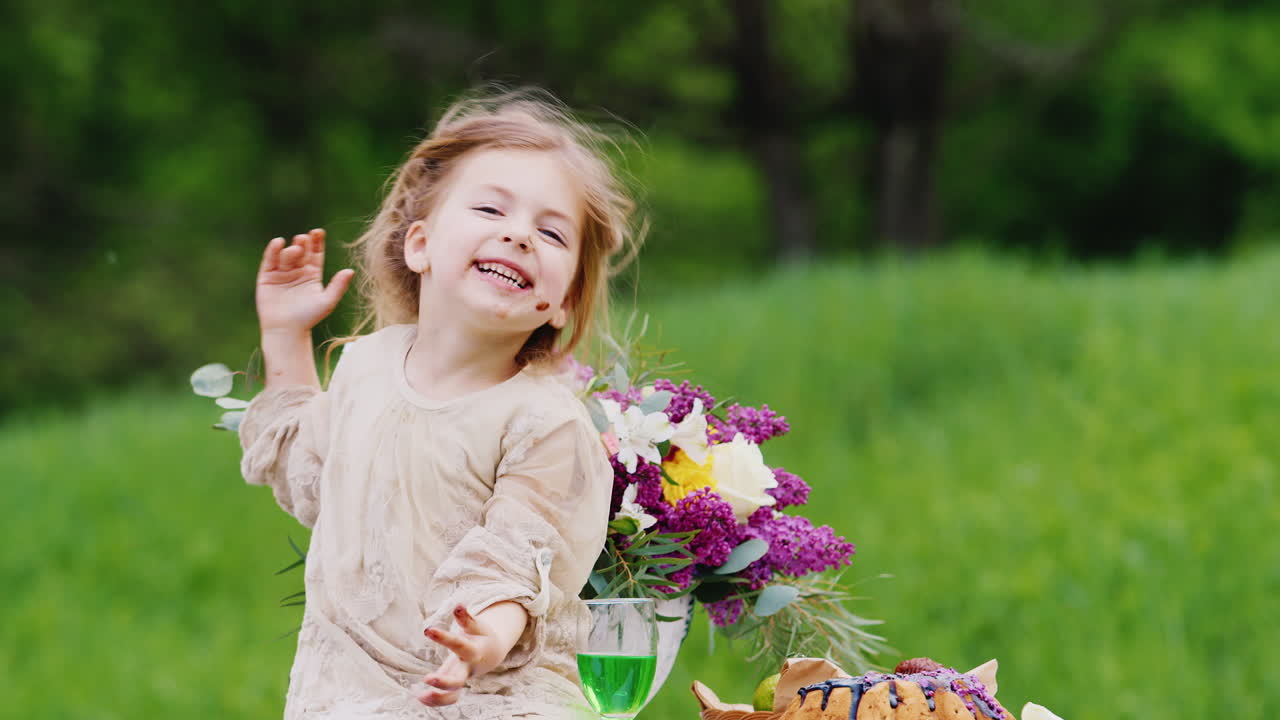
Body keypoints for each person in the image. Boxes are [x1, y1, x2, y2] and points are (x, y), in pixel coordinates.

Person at [237, 89, 640, 719]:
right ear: (419, 245)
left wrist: (482, 636)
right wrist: (286, 336)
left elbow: (518, 556)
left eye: (551, 232)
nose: (518, 235)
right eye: (489, 208)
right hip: (344, 697)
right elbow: (307, 474)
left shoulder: (545, 423)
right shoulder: (366, 367)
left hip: (493, 698)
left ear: (564, 301)